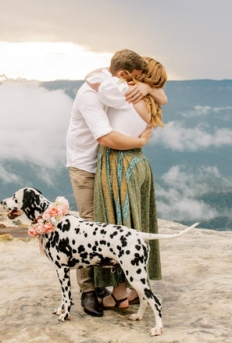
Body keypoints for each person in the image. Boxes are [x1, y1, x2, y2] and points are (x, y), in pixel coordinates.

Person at [65, 49, 166, 317]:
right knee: (90, 225)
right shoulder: (91, 94)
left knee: (115, 225)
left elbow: (113, 85)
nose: (132, 83)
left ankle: (111, 289)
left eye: (141, 79)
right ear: (123, 75)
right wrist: (141, 142)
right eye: (132, 77)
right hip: (86, 165)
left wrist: (145, 86)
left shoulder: (118, 88)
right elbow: (106, 137)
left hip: (114, 165)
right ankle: (89, 290)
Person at [91, 56, 168, 309]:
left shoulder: (126, 95)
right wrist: (149, 87)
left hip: (118, 163)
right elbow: (163, 96)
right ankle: (138, 289)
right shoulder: (151, 102)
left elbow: (94, 78)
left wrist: (131, 79)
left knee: (117, 227)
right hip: (140, 163)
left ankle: (120, 294)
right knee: (139, 225)